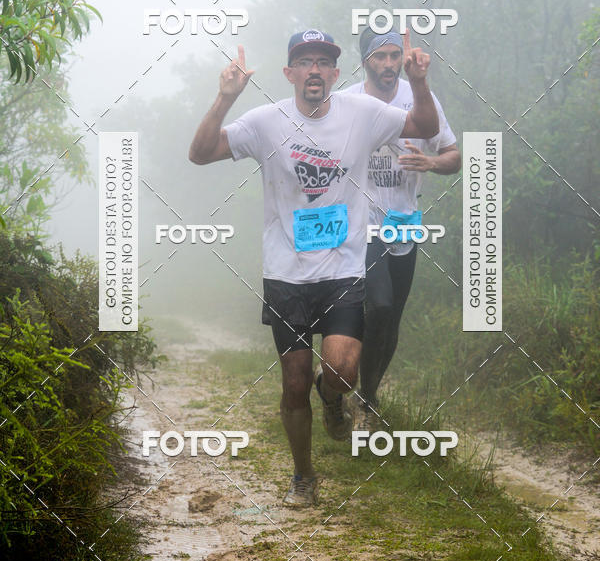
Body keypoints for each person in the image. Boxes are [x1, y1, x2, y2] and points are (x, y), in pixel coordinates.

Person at [188, 29, 439, 508]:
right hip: (287, 274)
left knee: (341, 370)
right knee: (294, 381)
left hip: (344, 267)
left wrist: (420, 82)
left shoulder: (363, 114)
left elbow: (424, 127)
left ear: (336, 73)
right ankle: (303, 476)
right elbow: (200, 153)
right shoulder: (265, 122)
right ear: (290, 74)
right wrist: (224, 99)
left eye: (324, 61)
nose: (315, 69)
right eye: (305, 61)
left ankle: (335, 399)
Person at [346, 27, 461, 429]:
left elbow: (453, 154)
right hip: (359, 224)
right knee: (377, 305)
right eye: (381, 56)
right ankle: (341, 376)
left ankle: (368, 396)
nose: (390, 64)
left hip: (406, 223)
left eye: (395, 55)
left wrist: (431, 163)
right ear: (365, 61)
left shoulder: (419, 99)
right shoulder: (347, 102)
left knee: (390, 317)